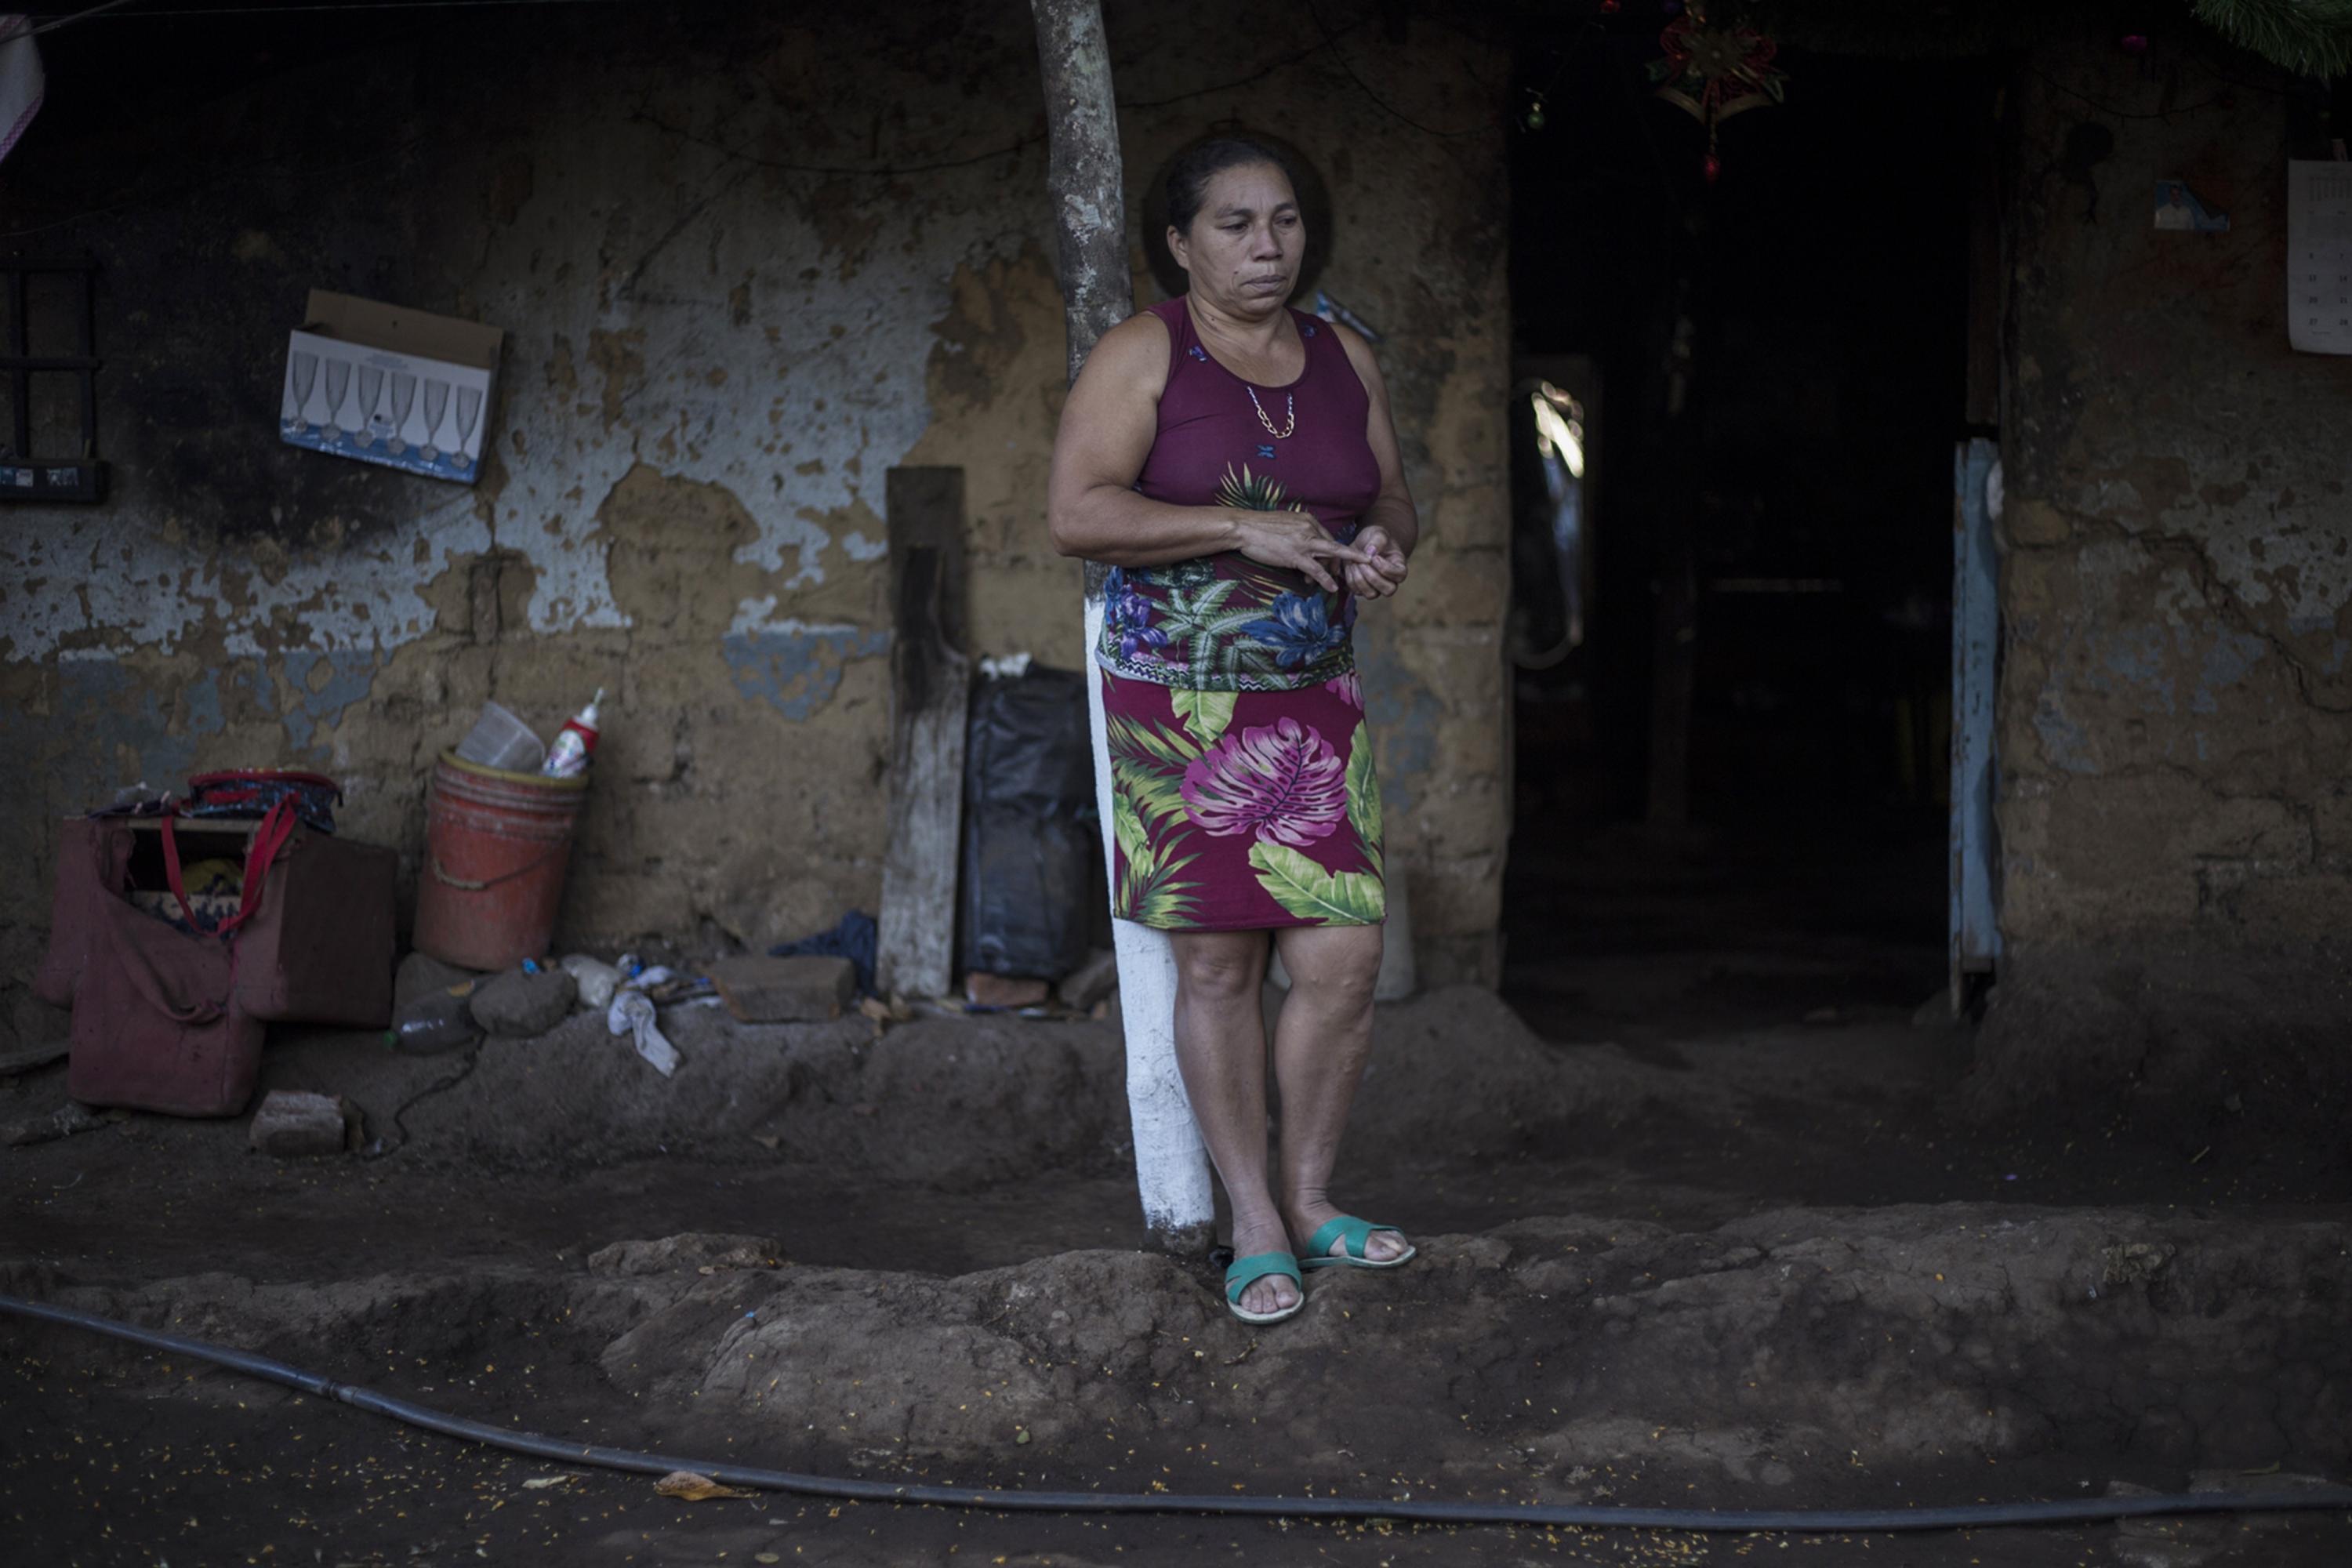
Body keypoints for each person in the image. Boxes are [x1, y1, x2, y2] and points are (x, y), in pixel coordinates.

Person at [1046, 136, 1420, 1324]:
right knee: (1217, 963)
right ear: (1181, 242)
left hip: (1314, 699)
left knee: (1343, 962)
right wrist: (1233, 529)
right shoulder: (1145, 351)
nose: (1268, 248)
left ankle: (1312, 1201)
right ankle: (1251, 1221)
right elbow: (1078, 512)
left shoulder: (1343, 352)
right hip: (1179, 702)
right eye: (1237, 226)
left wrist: (1381, 542)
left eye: (1287, 222)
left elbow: (1390, 490)